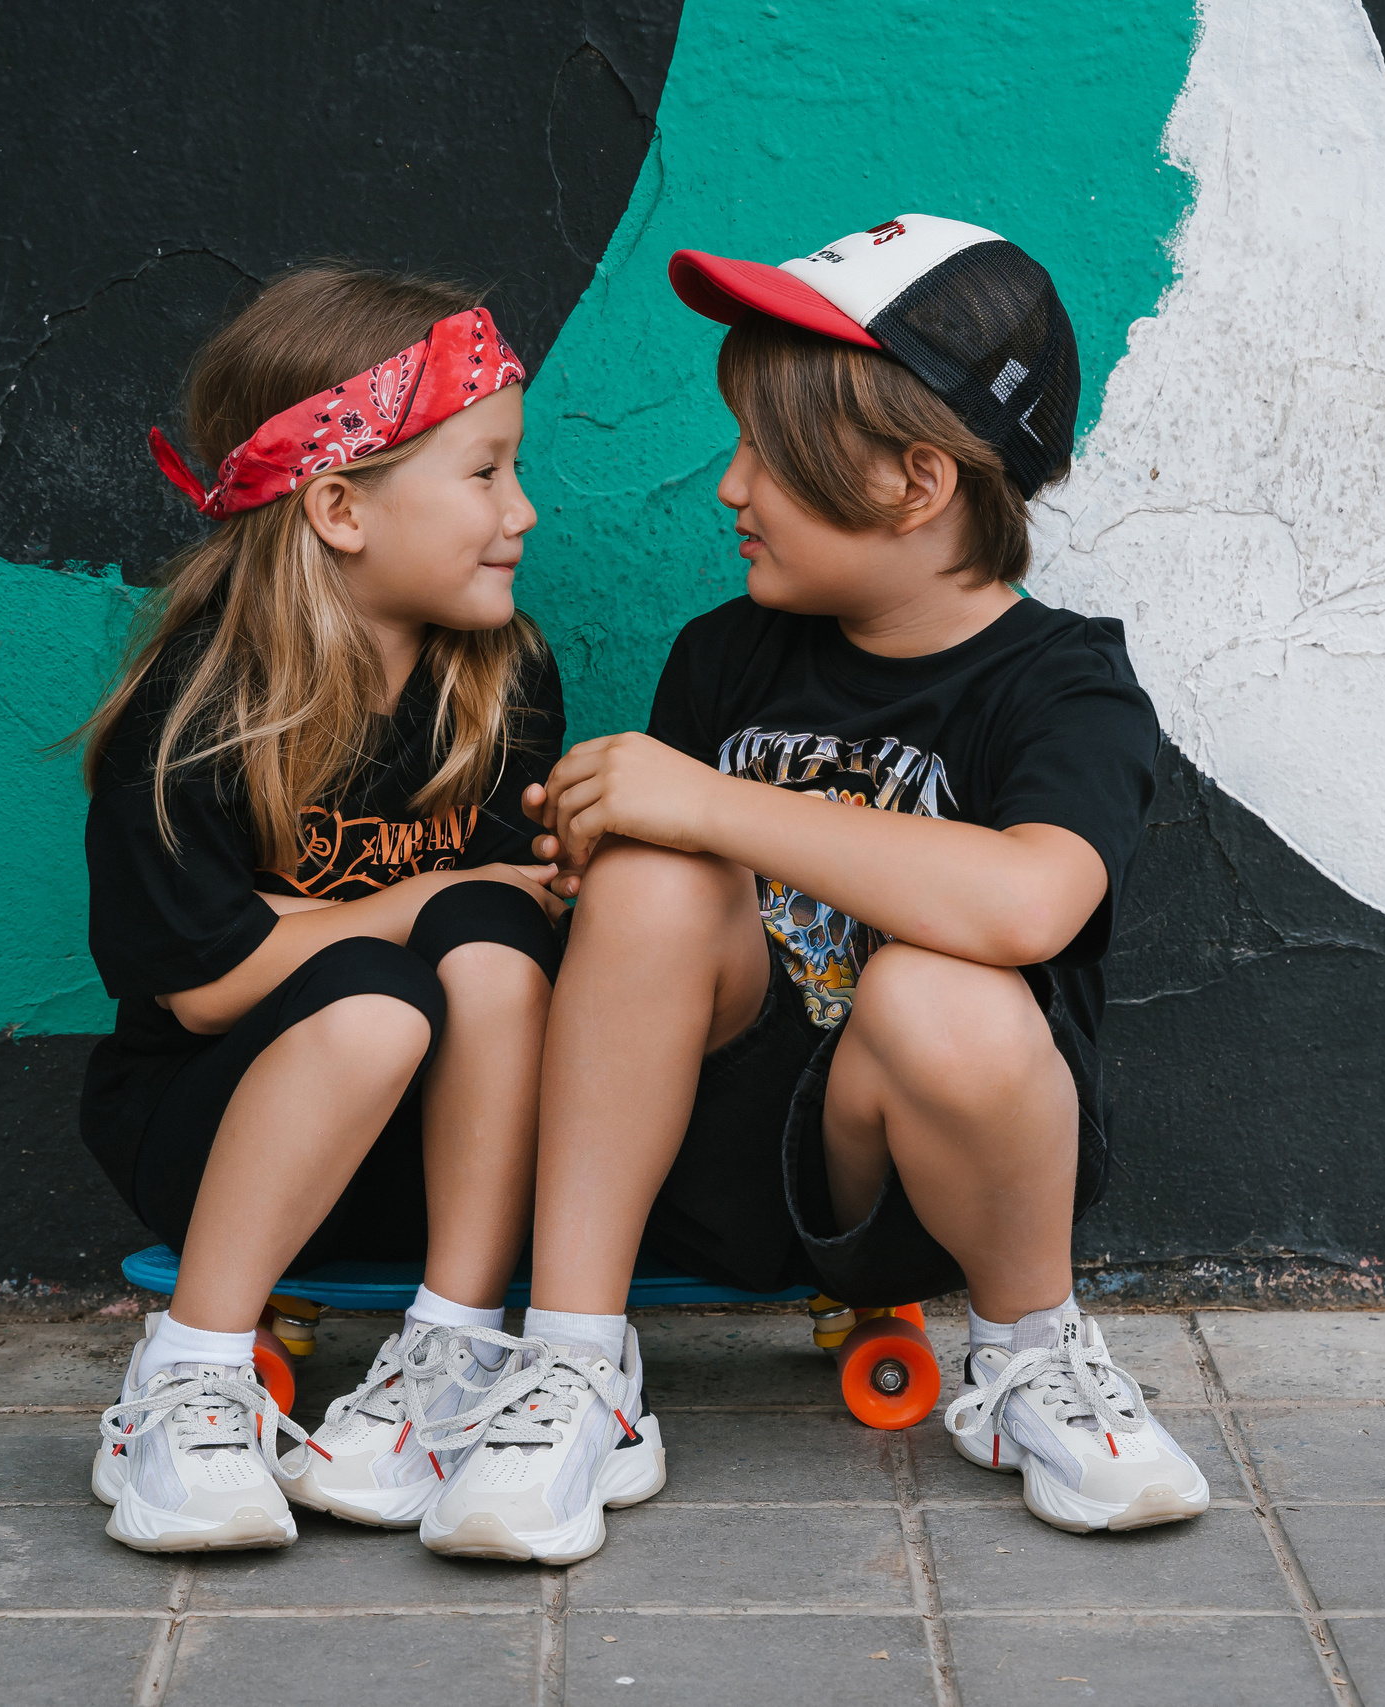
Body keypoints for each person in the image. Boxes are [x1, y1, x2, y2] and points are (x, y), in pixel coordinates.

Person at [417, 217, 1209, 1565]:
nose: (731, 489)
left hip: (921, 1183)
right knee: (660, 881)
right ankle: (574, 1368)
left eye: (767, 457)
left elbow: (1031, 906)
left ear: (915, 483)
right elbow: (663, 919)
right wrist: (599, 866)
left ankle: (1030, 1361)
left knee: (941, 981)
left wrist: (712, 802)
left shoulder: (1067, 684)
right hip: (711, 1154)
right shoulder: (726, 656)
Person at [72, 265, 566, 1553]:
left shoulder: (502, 682)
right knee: (374, 1000)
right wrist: (415, 899)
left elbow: (504, 913)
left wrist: (381, 913)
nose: (522, 511)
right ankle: (187, 1379)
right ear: (340, 505)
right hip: (218, 1146)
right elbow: (208, 983)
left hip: (444, 1171)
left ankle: (450, 1358)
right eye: (484, 474)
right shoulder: (199, 712)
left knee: (494, 950)